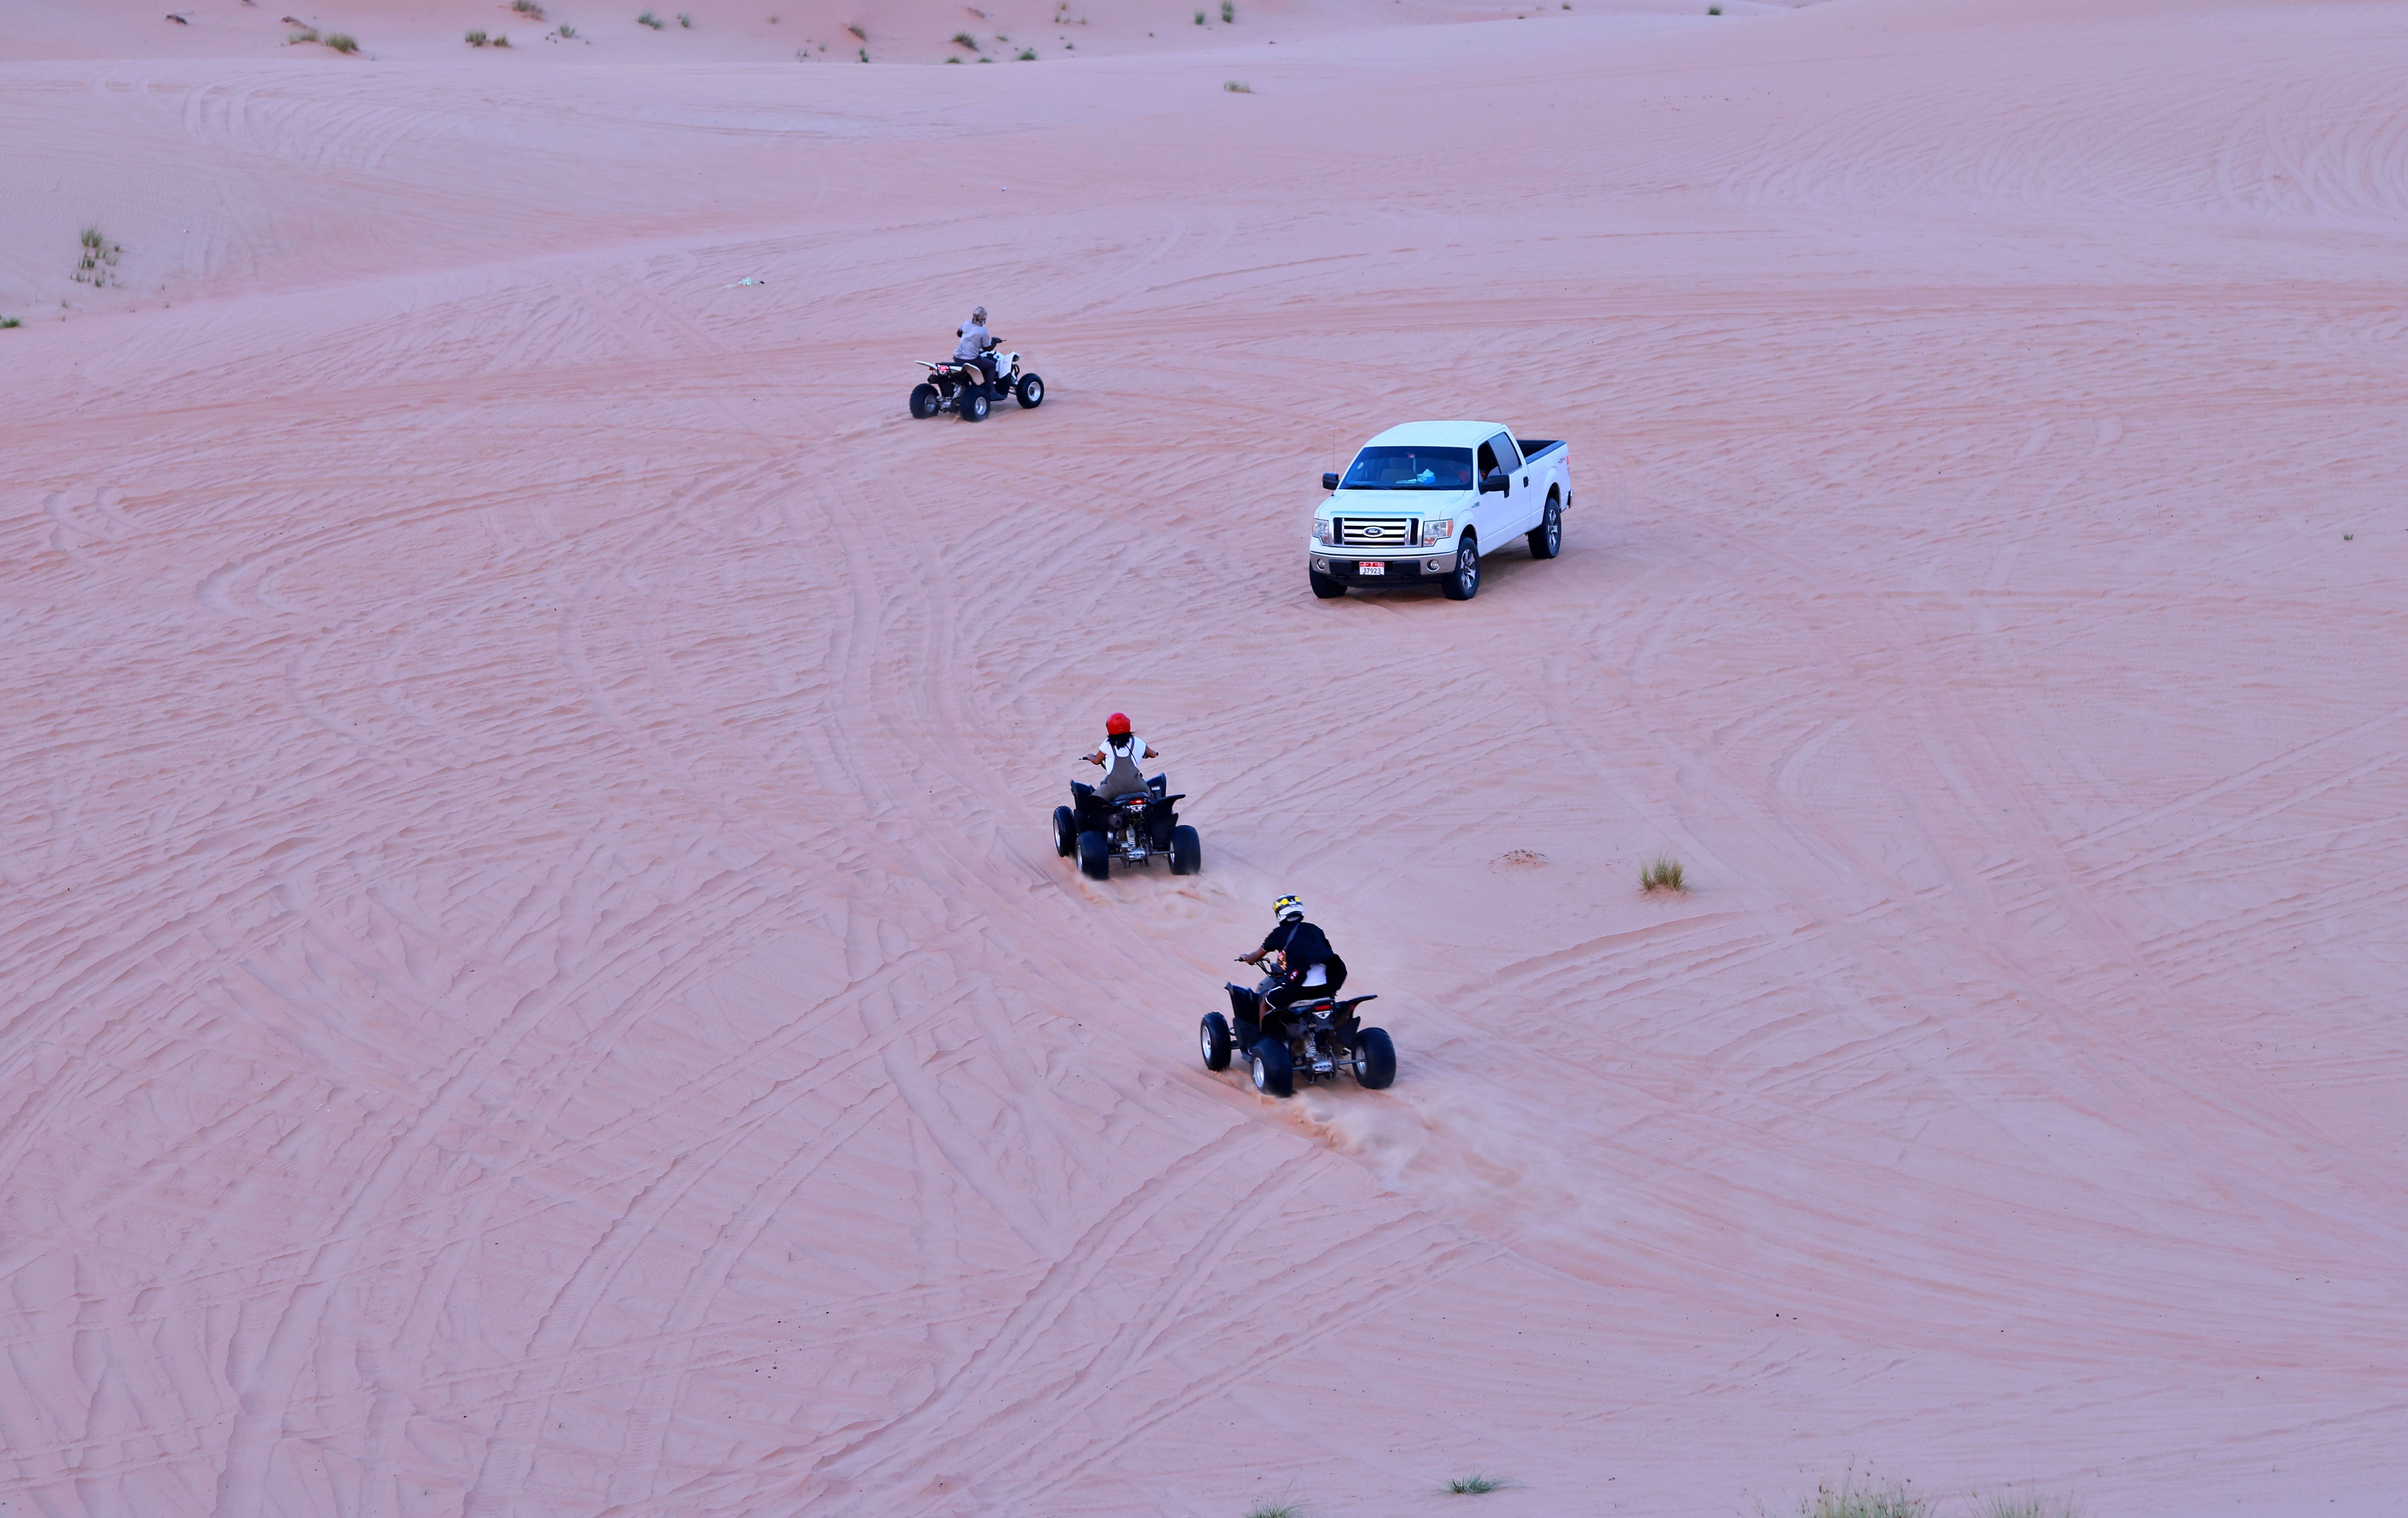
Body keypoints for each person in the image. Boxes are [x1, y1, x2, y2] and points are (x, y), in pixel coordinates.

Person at [1234, 894, 1345, 1049]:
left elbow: (1256, 956)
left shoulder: (1278, 934)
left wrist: (1247, 958)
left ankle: (1262, 1042)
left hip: (1299, 988)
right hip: (1325, 988)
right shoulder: (1315, 930)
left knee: (1266, 1000)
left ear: (1280, 914)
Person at [955, 306, 998, 396]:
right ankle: (988, 389)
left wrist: (968, 337)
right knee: (992, 366)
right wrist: (995, 342)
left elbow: (959, 333)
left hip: (957, 358)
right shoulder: (983, 331)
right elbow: (988, 348)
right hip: (972, 360)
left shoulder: (966, 324)